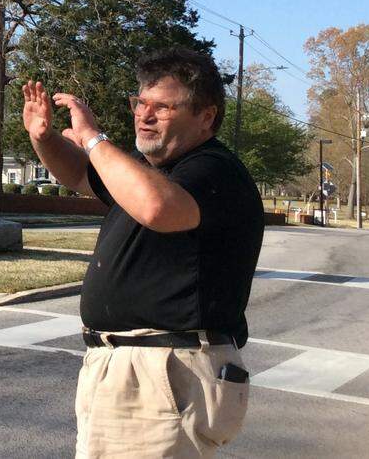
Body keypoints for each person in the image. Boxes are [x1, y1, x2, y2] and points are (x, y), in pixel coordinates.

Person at [21, 47, 264, 458]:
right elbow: (82, 173)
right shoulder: (149, 168)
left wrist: (94, 137)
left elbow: (158, 208)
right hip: (124, 367)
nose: (144, 115)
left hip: (167, 371)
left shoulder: (214, 169)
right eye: (140, 102)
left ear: (206, 116)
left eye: (162, 107)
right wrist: (44, 139)